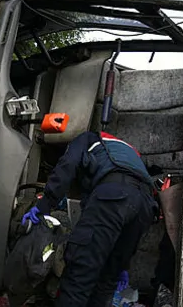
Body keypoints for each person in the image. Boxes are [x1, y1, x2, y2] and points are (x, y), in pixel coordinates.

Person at [21, 130, 158, 307]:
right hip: (146, 207)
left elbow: (67, 165)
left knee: (78, 277)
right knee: (106, 282)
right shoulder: (125, 151)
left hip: (114, 195)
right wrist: (122, 266)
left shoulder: (86, 139)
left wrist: (43, 206)